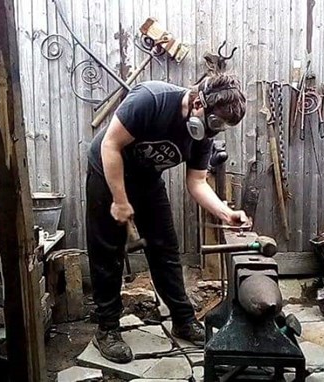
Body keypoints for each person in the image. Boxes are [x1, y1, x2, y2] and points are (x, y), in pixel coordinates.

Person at [86, 73, 250, 363]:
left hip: (147, 178)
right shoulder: (151, 100)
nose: (215, 131)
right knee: (107, 252)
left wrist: (226, 213)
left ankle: (183, 320)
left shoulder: (203, 135)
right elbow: (110, 145)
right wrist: (120, 201)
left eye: (222, 128)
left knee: (165, 249)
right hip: (107, 170)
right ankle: (107, 329)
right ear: (199, 102)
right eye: (215, 123)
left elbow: (197, 182)